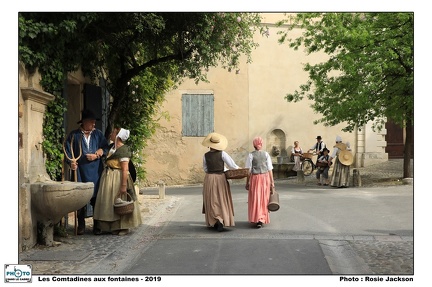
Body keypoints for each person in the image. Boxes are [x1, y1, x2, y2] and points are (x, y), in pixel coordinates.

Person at [64, 109, 109, 235]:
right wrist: (71, 163)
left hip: (95, 172)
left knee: (96, 199)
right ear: (84, 122)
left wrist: (98, 154)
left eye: (95, 122)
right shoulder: (74, 135)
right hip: (80, 171)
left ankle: (97, 225)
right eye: (92, 122)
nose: (94, 124)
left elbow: (105, 147)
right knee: (80, 199)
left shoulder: (98, 134)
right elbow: (68, 152)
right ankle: (81, 226)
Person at [93, 127, 142, 235]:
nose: (111, 134)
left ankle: (123, 227)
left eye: (113, 132)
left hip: (118, 177)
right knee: (109, 203)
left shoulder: (123, 150)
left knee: (121, 201)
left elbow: (125, 169)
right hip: (108, 176)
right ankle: (112, 227)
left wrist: (123, 185)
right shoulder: (112, 148)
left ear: (118, 135)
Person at [201, 132, 240, 232]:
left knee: (212, 199)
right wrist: (239, 169)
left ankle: (214, 220)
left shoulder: (205, 156)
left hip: (209, 178)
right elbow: (232, 165)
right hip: (220, 178)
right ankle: (221, 219)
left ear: (209, 145)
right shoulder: (222, 153)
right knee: (221, 198)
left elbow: (205, 169)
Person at [245, 137, 275, 228]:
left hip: (255, 178)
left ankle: (257, 218)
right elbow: (270, 169)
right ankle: (261, 218)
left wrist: (247, 182)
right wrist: (272, 182)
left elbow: (248, 170)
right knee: (264, 198)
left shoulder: (251, 155)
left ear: (254, 145)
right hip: (265, 178)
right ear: (261, 144)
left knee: (256, 198)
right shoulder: (266, 154)